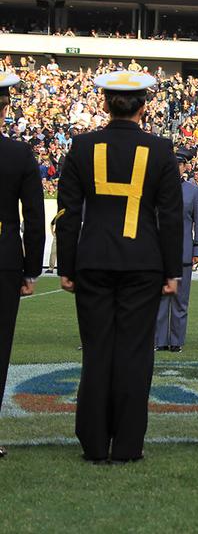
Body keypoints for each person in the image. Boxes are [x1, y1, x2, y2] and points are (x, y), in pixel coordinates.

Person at [56, 70, 183, 464]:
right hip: (143, 263)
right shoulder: (160, 150)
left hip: (93, 260)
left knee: (97, 351)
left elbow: (68, 213)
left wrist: (67, 264)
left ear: (104, 104)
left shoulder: (81, 146)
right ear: (144, 107)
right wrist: (171, 272)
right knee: (134, 352)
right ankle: (128, 444)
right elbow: (171, 216)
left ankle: (93, 442)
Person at [0, 72, 45, 460]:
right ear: (5, 108)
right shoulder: (17, 155)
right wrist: (31, 269)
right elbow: (33, 216)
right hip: (3, 262)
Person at [154, 149, 198, 353]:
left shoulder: (194, 192)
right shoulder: (156, 189)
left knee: (180, 300)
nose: (176, 167)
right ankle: (159, 340)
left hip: (184, 253)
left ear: (185, 167)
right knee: (160, 299)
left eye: (180, 164)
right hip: (159, 252)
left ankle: (176, 341)